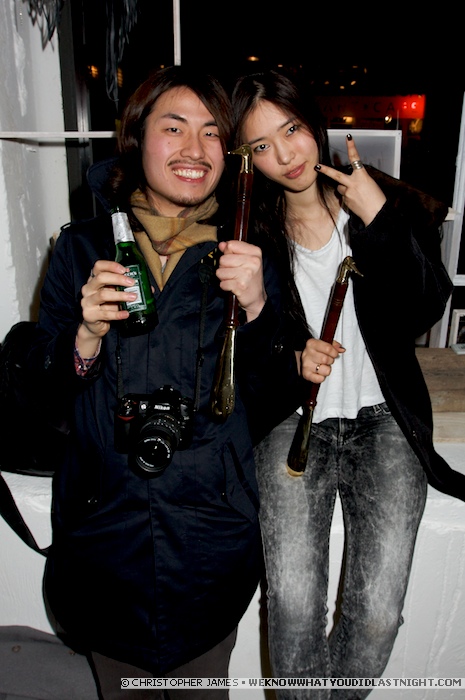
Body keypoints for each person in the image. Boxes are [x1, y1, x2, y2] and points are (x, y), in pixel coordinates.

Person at [27, 66, 300, 699]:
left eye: (212, 133)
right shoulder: (81, 248)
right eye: (173, 128)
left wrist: (259, 311)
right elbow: (40, 400)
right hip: (105, 543)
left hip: (209, 547)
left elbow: (275, 401)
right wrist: (83, 337)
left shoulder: (250, 252)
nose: (194, 149)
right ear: (136, 137)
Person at [231, 69, 465, 698]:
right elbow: (242, 359)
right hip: (292, 424)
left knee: (379, 612)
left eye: (291, 130)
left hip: (384, 420)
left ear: (314, 123)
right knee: (293, 608)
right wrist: (291, 357)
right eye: (262, 145)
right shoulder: (250, 232)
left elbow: (427, 306)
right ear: (247, 158)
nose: (285, 154)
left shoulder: (376, 200)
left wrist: (380, 218)